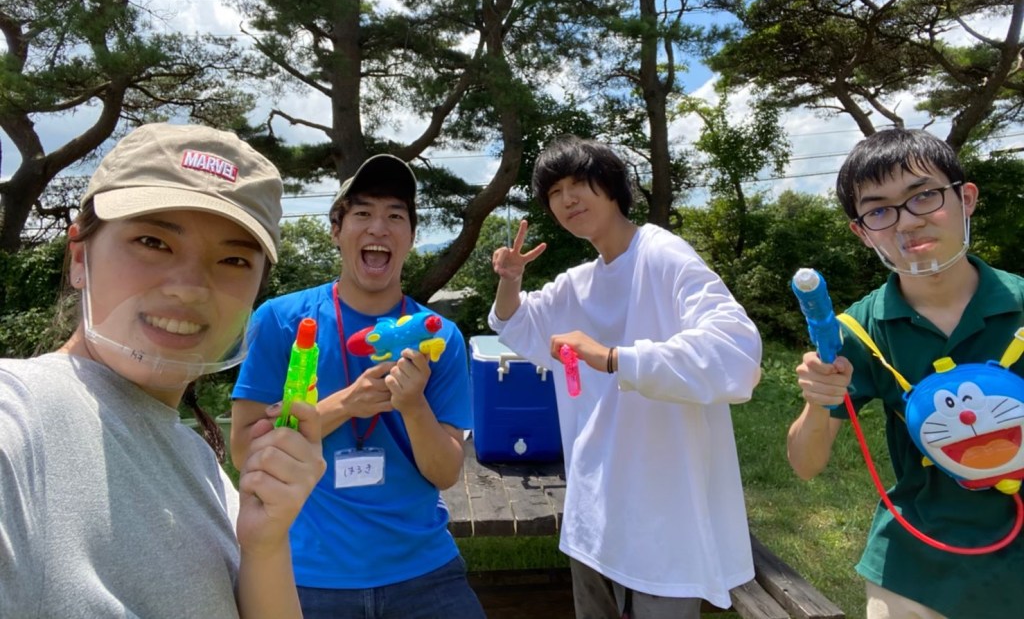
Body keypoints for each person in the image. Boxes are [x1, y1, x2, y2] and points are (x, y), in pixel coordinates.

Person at [0, 123, 326, 618]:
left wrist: (265, 543)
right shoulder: (18, 418)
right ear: (80, 257)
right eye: (152, 241)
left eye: (233, 259)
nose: (190, 287)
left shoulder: (203, 466)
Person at [489, 135, 763, 619]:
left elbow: (736, 350)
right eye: (554, 193)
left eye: (578, 183)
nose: (567, 199)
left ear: (612, 184)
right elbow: (519, 325)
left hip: (663, 510)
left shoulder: (662, 254)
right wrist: (510, 283)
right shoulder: (580, 281)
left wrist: (614, 358)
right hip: (593, 507)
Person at [231, 154, 484, 619]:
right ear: (336, 230)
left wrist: (413, 405)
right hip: (305, 575)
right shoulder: (282, 322)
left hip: (424, 570)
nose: (379, 228)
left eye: (396, 216)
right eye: (363, 213)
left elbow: (446, 472)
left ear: (411, 236)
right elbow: (246, 451)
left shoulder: (439, 337)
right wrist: (348, 403)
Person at [787, 127, 1024, 619]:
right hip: (915, 571)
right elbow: (805, 465)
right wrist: (817, 399)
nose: (908, 222)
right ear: (862, 232)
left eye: (924, 196)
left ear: (966, 199)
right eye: (879, 211)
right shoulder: (858, 330)